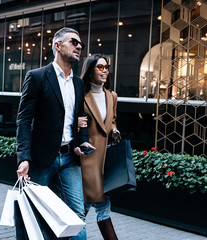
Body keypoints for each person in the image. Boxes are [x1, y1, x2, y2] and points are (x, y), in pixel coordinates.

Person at [16, 27, 94, 240]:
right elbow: (24, 119)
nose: (79, 46)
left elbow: (80, 119)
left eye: (81, 44)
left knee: (76, 214)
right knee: (32, 212)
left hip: (69, 158)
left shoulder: (78, 83)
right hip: (42, 159)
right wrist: (24, 158)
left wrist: (82, 142)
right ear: (57, 46)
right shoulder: (37, 77)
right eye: (74, 42)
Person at [78, 55, 120, 240]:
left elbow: (111, 121)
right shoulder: (80, 94)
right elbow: (68, 121)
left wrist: (114, 130)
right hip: (85, 159)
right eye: (99, 67)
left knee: (98, 204)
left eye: (106, 67)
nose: (104, 71)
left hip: (105, 159)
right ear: (90, 70)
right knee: (91, 204)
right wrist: (76, 123)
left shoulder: (111, 96)